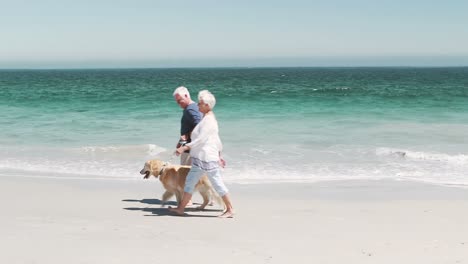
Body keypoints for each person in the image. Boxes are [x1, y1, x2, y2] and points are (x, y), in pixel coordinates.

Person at [169, 90, 234, 218]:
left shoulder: (209, 120)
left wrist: (184, 147)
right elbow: (216, 139)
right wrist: (219, 154)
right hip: (200, 158)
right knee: (189, 182)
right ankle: (181, 208)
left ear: (207, 106)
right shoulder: (206, 118)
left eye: (200, 104)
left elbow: (201, 139)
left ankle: (230, 209)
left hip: (207, 158)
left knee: (217, 183)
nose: (197, 106)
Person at [173, 86, 203, 165]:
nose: (178, 104)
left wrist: (186, 136)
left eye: (180, 100)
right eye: (177, 102)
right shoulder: (196, 107)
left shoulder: (190, 109)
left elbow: (200, 126)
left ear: (186, 96)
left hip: (190, 151)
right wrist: (181, 141)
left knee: (186, 176)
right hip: (193, 148)